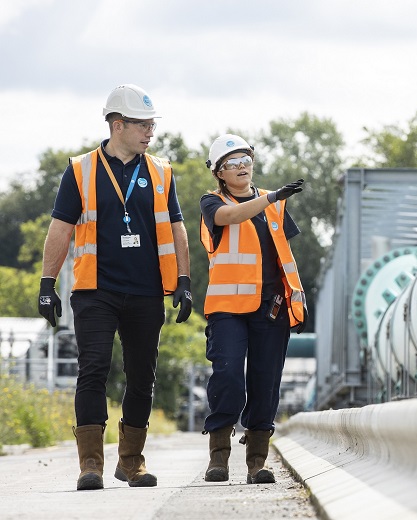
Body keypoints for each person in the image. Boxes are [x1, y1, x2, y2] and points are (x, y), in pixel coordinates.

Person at [37, 84, 193, 491]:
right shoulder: (80, 170)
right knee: (93, 369)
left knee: (142, 376)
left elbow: (177, 227)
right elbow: (60, 228)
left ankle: (131, 462)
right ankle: (90, 464)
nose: (150, 132)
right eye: (143, 125)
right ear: (117, 124)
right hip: (95, 289)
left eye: (152, 125)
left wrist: (183, 279)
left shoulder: (161, 171)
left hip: (146, 289)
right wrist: (47, 283)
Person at [199, 134, 307, 484]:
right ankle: (218, 457)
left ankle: (257, 462)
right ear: (219, 173)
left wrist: (296, 298)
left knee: (266, 382)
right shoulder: (212, 202)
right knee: (228, 375)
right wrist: (271, 197)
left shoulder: (275, 205)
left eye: (245, 159)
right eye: (232, 163)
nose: (241, 166)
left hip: (270, 307)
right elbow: (232, 216)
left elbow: (284, 255)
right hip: (227, 308)